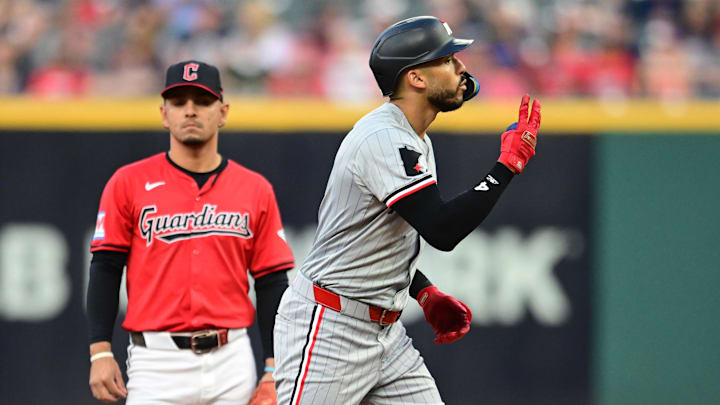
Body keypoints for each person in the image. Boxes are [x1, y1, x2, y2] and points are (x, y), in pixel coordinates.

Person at [272, 16, 541, 405]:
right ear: (416, 78)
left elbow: (379, 239)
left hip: (384, 333)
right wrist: (506, 166)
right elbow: (442, 229)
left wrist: (423, 290)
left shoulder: (410, 135)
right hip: (329, 330)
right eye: (448, 60)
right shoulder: (385, 138)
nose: (462, 67)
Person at [86, 60, 293, 405]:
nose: (190, 111)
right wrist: (99, 351)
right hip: (156, 362)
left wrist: (274, 368)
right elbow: (106, 267)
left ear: (223, 112)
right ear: (164, 114)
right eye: (179, 102)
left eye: (202, 101)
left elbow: (272, 282)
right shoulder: (128, 182)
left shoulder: (255, 188)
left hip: (232, 358)